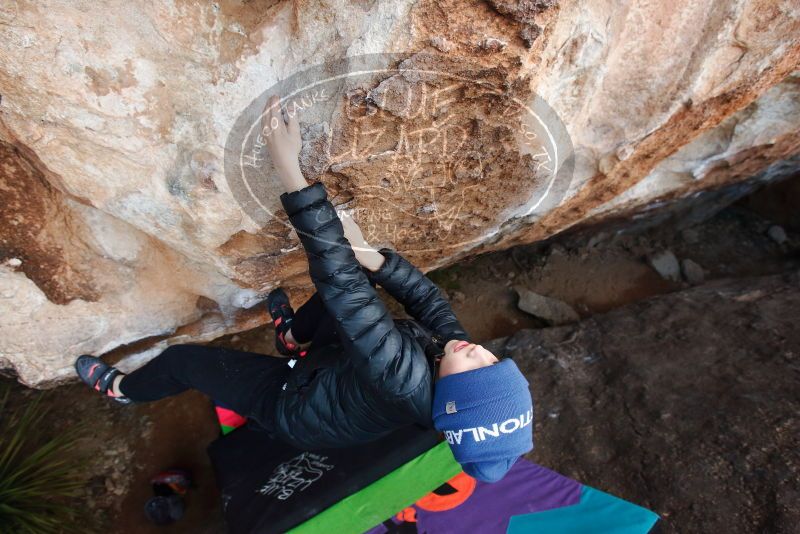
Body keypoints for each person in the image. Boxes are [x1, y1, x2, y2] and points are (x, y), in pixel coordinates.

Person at [75, 96, 534, 483]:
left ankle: (125, 389)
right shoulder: (449, 354)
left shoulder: (404, 379)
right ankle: (293, 339)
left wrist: (291, 175)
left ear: (450, 405)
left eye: (478, 368)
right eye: (494, 359)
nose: (479, 352)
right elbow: (429, 301)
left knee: (185, 361)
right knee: (353, 302)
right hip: (341, 371)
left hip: (297, 405)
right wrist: (371, 257)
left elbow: (345, 290)